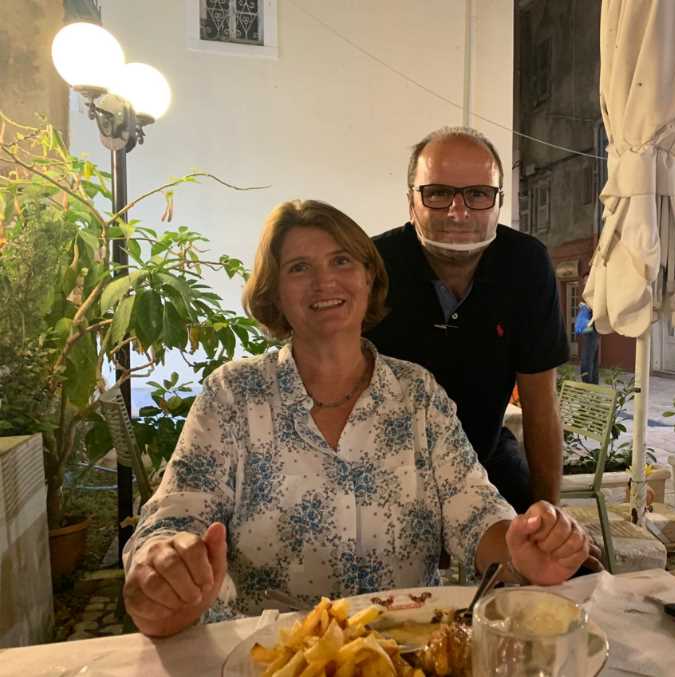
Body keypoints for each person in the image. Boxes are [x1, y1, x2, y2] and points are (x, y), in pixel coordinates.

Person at [121, 199, 592, 638]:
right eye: (299, 268)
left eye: (342, 261)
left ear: (370, 279)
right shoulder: (233, 396)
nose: (325, 282)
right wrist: (164, 570)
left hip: (404, 652)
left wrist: (522, 553)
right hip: (274, 657)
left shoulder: (417, 393)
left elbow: (475, 513)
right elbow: (176, 516)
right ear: (274, 293)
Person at [365, 127, 569, 514]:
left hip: (485, 455)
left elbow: (541, 405)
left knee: (560, 564)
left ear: (498, 203)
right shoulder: (372, 266)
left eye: (477, 194)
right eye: (438, 194)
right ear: (411, 202)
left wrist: (549, 515)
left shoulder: (525, 264)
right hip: (386, 468)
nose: (458, 213)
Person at [575, 296, 600, 385]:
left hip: (590, 332)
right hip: (592, 332)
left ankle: (588, 382)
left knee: (587, 359)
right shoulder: (587, 306)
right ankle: (593, 382)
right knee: (592, 359)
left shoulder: (588, 305)